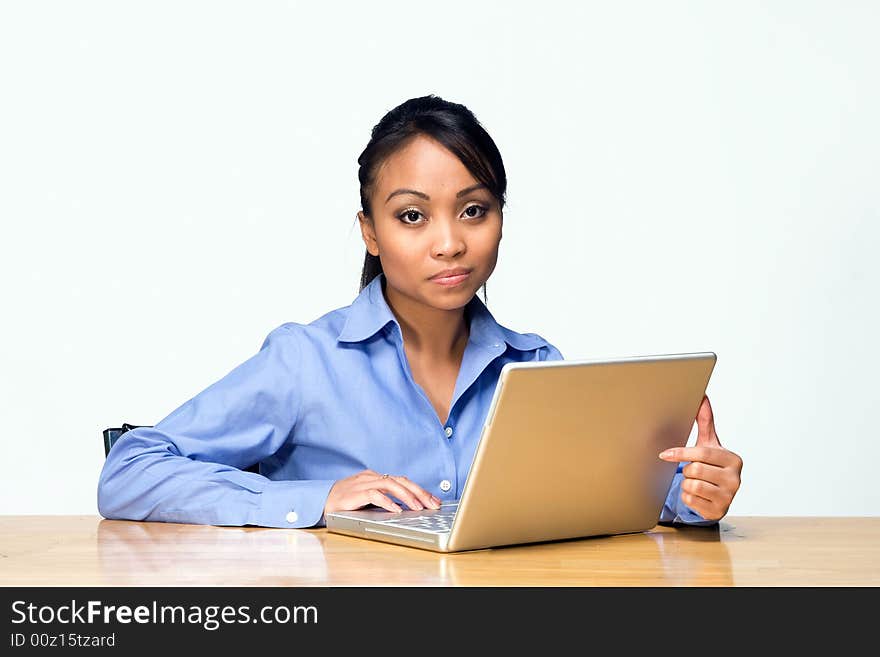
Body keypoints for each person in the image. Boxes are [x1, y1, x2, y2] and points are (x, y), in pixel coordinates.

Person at [98, 95, 743, 530]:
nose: (449, 242)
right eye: (412, 216)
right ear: (369, 232)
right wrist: (316, 500)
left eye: (474, 210)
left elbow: (589, 500)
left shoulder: (537, 366)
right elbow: (129, 472)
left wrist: (690, 496)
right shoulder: (307, 362)